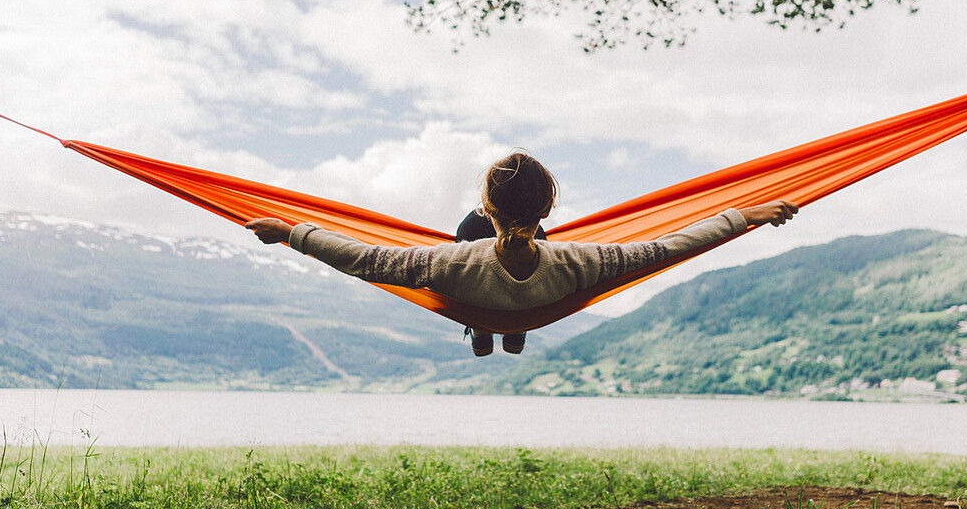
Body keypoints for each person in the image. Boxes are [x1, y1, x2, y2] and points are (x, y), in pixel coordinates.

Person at [247, 151, 798, 357]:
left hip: (472, 292)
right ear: (548, 209)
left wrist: (290, 232)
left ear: (489, 205)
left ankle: (483, 329)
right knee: (518, 265)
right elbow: (664, 247)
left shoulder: (448, 262)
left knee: (462, 233)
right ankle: (512, 330)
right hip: (540, 296)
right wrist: (745, 217)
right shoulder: (581, 261)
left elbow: (364, 259)